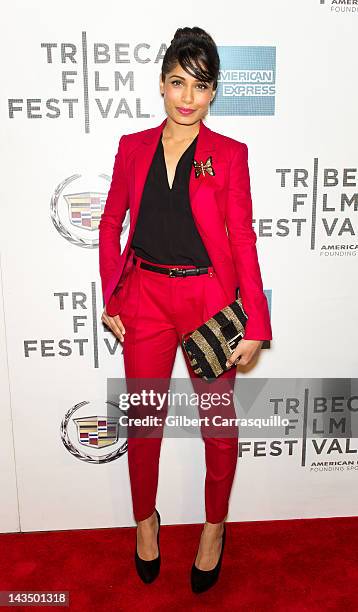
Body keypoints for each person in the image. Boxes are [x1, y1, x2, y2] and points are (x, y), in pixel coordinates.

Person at [99, 26, 272, 594]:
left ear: (215, 91)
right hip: (145, 297)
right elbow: (109, 224)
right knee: (145, 422)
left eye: (200, 85)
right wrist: (113, 293)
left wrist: (256, 320)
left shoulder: (229, 155)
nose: (188, 97)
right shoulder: (132, 148)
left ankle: (214, 529)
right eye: (178, 82)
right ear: (162, 85)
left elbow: (242, 239)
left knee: (219, 429)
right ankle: (144, 521)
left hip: (207, 303)